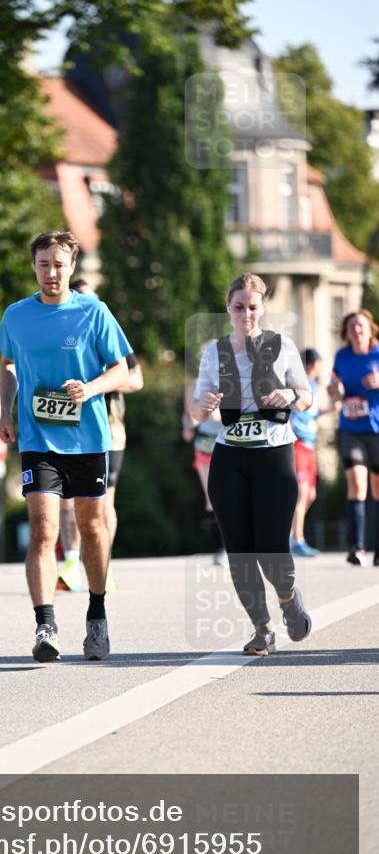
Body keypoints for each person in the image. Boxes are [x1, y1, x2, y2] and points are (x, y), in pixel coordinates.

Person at [0, 230, 131, 662]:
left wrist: (89, 390)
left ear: (72, 267)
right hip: (38, 439)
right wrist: (4, 412)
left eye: (58, 264)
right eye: (43, 264)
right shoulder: (17, 316)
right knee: (43, 530)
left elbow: (122, 371)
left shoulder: (94, 312)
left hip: (88, 438)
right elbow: (8, 366)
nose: (51, 272)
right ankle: (45, 624)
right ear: (33, 266)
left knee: (92, 529)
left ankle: (97, 615)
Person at [191, 272, 313, 656]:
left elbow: (308, 397)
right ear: (228, 307)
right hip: (230, 455)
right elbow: (196, 410)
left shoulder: (282, 347)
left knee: (272, 545)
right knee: (240, 549)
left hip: (275, 452)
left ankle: (288, 597)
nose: (246, 313)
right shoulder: (214, 352)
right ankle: (263, 630)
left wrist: (289, 394)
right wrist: (205, 407)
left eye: (253, 307)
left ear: (263, 308)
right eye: (239, 306)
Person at [57, 278, 143, 593]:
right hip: (68, 427)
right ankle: (70, 564)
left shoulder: (107, 328)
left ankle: (103, 563)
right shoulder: (60, 331)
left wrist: (99, 383)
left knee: (103, 501)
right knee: (67, 501)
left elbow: (136, 379)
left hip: (108, 427)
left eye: (90, 298)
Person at [327, 309, 379, 566]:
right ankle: (356, 548)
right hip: (351, 429)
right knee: (357, 485)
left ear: (370, 329)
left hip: (377, 430)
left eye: (360, 326)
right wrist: (334, 390)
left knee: (378, 489)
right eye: (351, 327)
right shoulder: (342, 356)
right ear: (346, 333)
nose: (356, 330)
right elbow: (334, 388)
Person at [183, 349, 226, 567]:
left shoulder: (229, 383)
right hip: (204, 445)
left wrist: (217, 415)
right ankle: (222, 548)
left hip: (227, 444)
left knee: (231, 497)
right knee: (212, 499)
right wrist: (188, 426)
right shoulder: (193, 385)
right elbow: (188, 414)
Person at [289, 348, 327, 557]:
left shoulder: (314, 386)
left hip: (310, 445)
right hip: (298, 444)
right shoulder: (296, 385)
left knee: (310, 494)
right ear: (311, 365)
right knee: (301, 493)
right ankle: (297, 539)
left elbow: (312, 413)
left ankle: (289, 535)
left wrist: (332, 410)